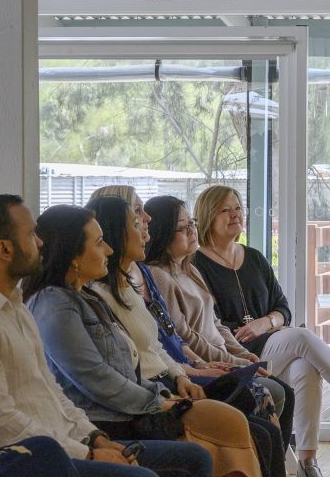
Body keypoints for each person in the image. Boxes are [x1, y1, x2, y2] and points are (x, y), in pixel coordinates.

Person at [186, 186, 330, 477]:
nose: (235, 214)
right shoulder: (196, 265)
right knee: (303, 338)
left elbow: (283, 309)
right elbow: (211, 323)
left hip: (271, 341)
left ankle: (308, 461)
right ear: (208, 215)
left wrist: (265, 322)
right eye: (225, 209)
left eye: (238, 208)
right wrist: (255, 331)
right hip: (238, 351)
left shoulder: (254, 257)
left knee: (306, 367)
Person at [0, 194, 212, 477]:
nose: (40, 243)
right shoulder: (11, 313)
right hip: (28, 459)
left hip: (69, 439)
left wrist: (96, 438)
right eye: (30, 235)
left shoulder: (16, 308)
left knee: (195, 459)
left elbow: (52, 392)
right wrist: (86, 452)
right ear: (4, 249)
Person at [22, 204, 258, 477]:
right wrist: (160, 399)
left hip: (134, 405)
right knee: (225, 428)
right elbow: (98, 380)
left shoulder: (88, 299)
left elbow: (136, 359)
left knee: (238, 416)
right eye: (99, 244)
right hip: (112, 418)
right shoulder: (56, 306)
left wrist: (169, 388)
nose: (108, 251)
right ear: (73, 255)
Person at [87, 195, 286, 477]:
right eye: (183, 227)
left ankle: (298, 462)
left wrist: (233, 358)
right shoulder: (146, 280)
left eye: (192, 224)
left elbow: (183, 334)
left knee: (273, 399)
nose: (147, 225)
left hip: (177, 374)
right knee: (265, 397)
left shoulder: (183, 271)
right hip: (162, 387)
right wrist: (189, 373)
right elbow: (179, 338)